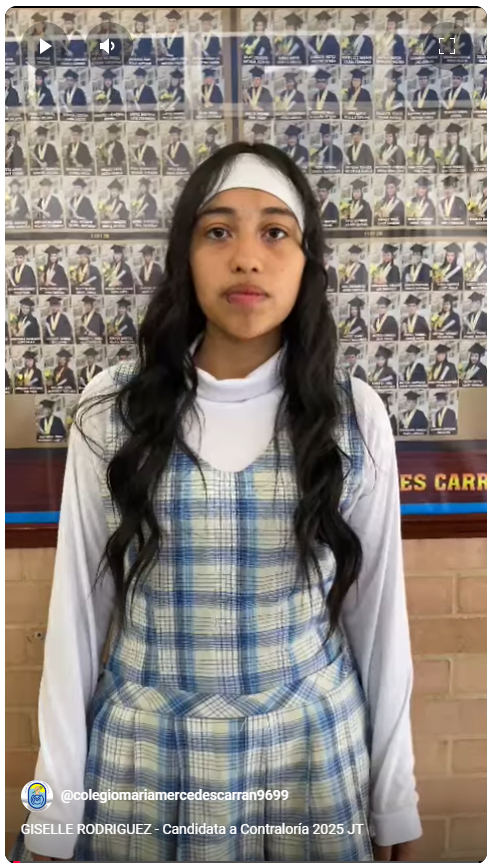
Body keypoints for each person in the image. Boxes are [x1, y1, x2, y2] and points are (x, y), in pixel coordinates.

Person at [13, 142, 422, 863]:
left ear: (306, 262)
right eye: (217, 231)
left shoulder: (353, 417)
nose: (246, 258)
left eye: (275, 232)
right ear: (186, 255)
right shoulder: (113, 410)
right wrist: (49, 813)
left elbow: (380, 622)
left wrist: (396, 801)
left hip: (307, 759)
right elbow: (76, 619)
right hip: (146, 759)